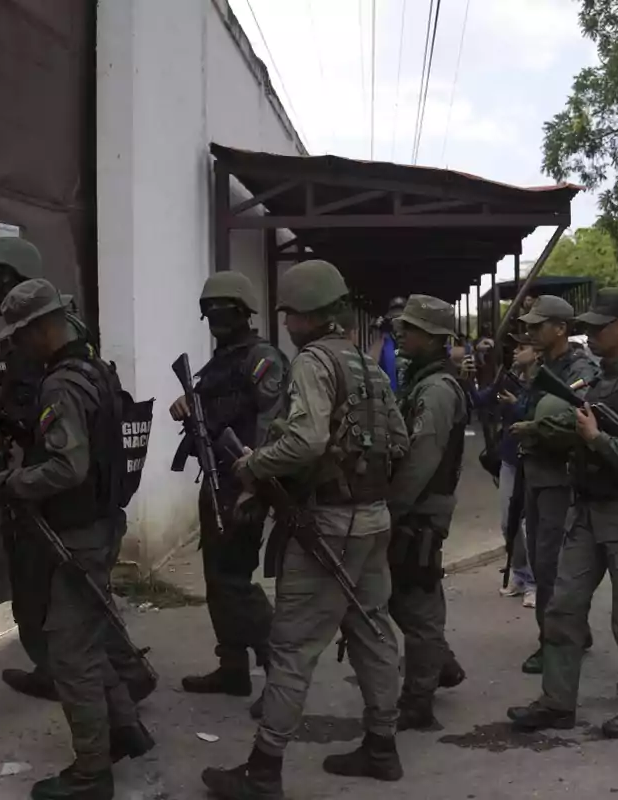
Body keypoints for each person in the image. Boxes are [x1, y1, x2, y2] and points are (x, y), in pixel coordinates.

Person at [201, 260, 410, 799]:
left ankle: (263, 770)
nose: (286, 323)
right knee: (373, 629)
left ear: (305, 313)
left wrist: (254, 466)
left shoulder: (313, 363)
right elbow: (400, 441)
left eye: (289, 313)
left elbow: (305, 442)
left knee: (293, 648)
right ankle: (382, 747)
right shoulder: (368, 365)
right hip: (372, 517)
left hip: (329, 522)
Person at [0, 279, 152, 800]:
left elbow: (67, 467)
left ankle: (91, 774)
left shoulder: (60, 384)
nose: (18, 345)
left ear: (40, 328)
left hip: (77, 533)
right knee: (90, 637)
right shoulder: (96, 368)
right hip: (101, 525)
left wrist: (8, 484)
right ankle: (126, 728)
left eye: (20, 334)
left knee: (71, 656)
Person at [507, 288, 618, 738]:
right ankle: (557, 702)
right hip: (588, 513)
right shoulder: (597, 382)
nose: (590, 334)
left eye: (600, 327)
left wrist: (596, 439)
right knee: (562, 609)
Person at [171, 272, 288, 707]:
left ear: (245, 312)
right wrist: (186, 405)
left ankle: (280, 676)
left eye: (226, 310)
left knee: (235, 581)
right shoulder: (221, 361)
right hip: (217, 481)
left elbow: (270, 428)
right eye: (211, 311)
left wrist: (253, 488)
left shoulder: (263, 360)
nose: (217, 318)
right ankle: (233, 668)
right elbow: (211, 411)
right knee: (218, 581)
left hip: (244, 484)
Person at [386, 295, 470, 731]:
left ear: (434, 339)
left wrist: (392, 509)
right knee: (408, 596)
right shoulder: (422, 378)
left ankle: (417, 701)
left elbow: (422, 456)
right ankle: (441, 665)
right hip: (417, 508)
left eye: (411, 329)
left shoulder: (436, 388)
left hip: (419, 510)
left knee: (415, 603)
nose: (402, 334)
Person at [512, 294, 599, 674]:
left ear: (561, 328)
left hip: (559, 477)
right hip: (536, 472)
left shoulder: (579, 368)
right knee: (540, 557)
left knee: (550, 565)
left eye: (537, 325)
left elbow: (574, 417)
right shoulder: (545, 364)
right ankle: (572, 631)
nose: (530, 331)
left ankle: (555, 642)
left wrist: (534, 427)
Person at [472, 334, 538, 606]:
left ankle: (535, 582)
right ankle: (520, 576)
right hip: (510, 458)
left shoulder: (544, 382)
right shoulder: (507, 378)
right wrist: (465, 378)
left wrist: (516, 406)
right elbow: (480, 401)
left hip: (534, 460)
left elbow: (541, 419)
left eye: (523, 347)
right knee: (507, 523)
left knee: (530, 525)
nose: (516, 352)